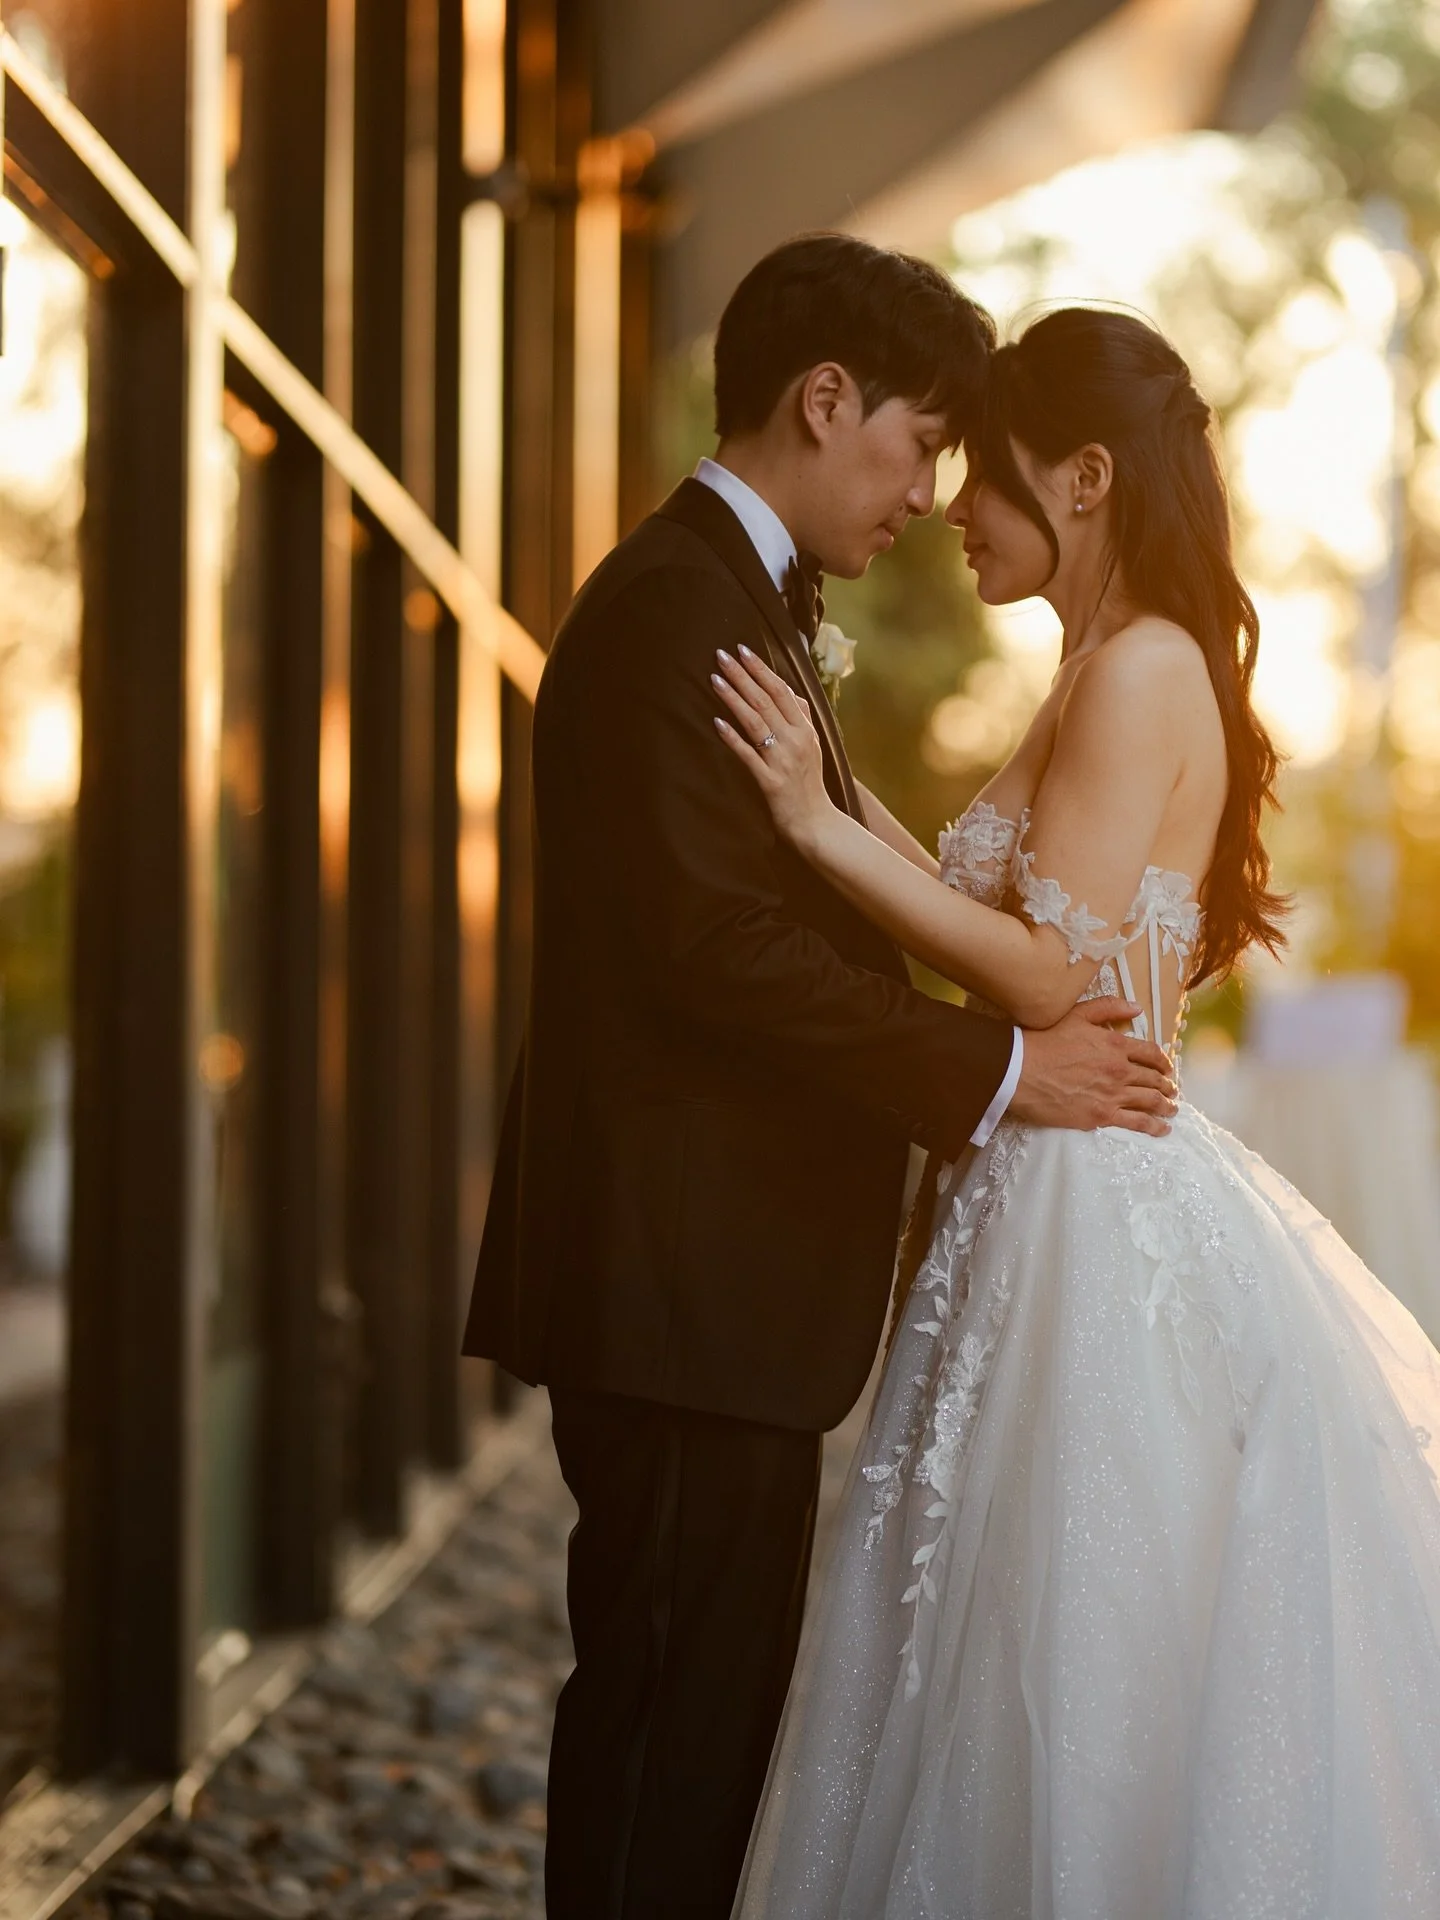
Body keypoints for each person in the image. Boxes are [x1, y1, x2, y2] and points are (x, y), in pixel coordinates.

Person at [460, 240, 1175, 1920]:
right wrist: (1000, 1070)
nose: (930, 495)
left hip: (714, 1291)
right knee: (666, 1734)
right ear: (823, 400)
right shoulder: (675, 615)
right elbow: (719, 958)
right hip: (680, 1288)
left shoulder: (738, 604)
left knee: (697, 1726)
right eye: (922, 444)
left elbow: (807, 907)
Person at [715, 305, 1440, 1919]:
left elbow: (1046, 974)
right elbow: (995, 896)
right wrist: (824, 791)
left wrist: (816, 841)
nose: (954, 508)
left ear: (1088, 478)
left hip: (1091, 1215)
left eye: (987, 474)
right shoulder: (1102, 665)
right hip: (1037, 1184)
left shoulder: (1143, 673)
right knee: (977, 1631)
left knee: (1061, 1638)